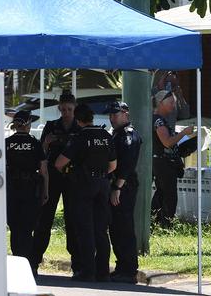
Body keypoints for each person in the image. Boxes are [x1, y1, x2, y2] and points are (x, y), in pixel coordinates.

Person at [55, 103, 116, 282]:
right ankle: (103, 271)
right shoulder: (105, 135)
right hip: (103, 183)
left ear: (78, 120)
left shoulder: (79, 137)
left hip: (83, 185)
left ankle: (88, 271)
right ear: (92, 118)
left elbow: (59, 163)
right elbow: (113, 165)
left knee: (84, 229)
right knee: (101, 229)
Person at [32, 91, 80, 273]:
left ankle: (78, 263)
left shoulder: (79, 128)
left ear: (75, 109)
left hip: (72, 178)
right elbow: (40, 152)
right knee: (44, 219)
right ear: (59, 108)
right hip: (52, 177)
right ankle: (34, 260)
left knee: (73, 220)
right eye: (64, 109)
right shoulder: (51, 126)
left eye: (70, 109)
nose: (66, 112)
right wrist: (46, 143)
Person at [4, 109, 48, 266]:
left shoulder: (6, 144)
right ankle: (29, 264)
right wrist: (46, 191)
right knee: (27, 228)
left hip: (11, 190)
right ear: (28, 125)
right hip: (31, 190)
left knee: (15, 228)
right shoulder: (35, 144)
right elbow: (43, 170)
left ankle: (17, 262)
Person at [106, 100, 142, 284]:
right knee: (116, 228)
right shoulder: (117, 134)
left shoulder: (128, 135)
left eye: (116, 114)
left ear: (125, 113)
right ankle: (122, 267)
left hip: (124, 187)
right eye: (110, 114)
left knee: (123, 227)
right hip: (118, 186)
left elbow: (127, 165)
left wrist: (117, 188)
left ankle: (128, 270)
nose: (112, 117)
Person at [151, 90, 194, 224]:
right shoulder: (158, 121)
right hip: (163, 163)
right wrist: (184, 133)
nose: (173, 106)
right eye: (170, 103)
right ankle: (165, 223)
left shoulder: (161, 120)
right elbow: (167, 142)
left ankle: (154, 221)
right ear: (161, 103)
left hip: (162, 162)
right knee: (169, 195)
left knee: (161, 193)